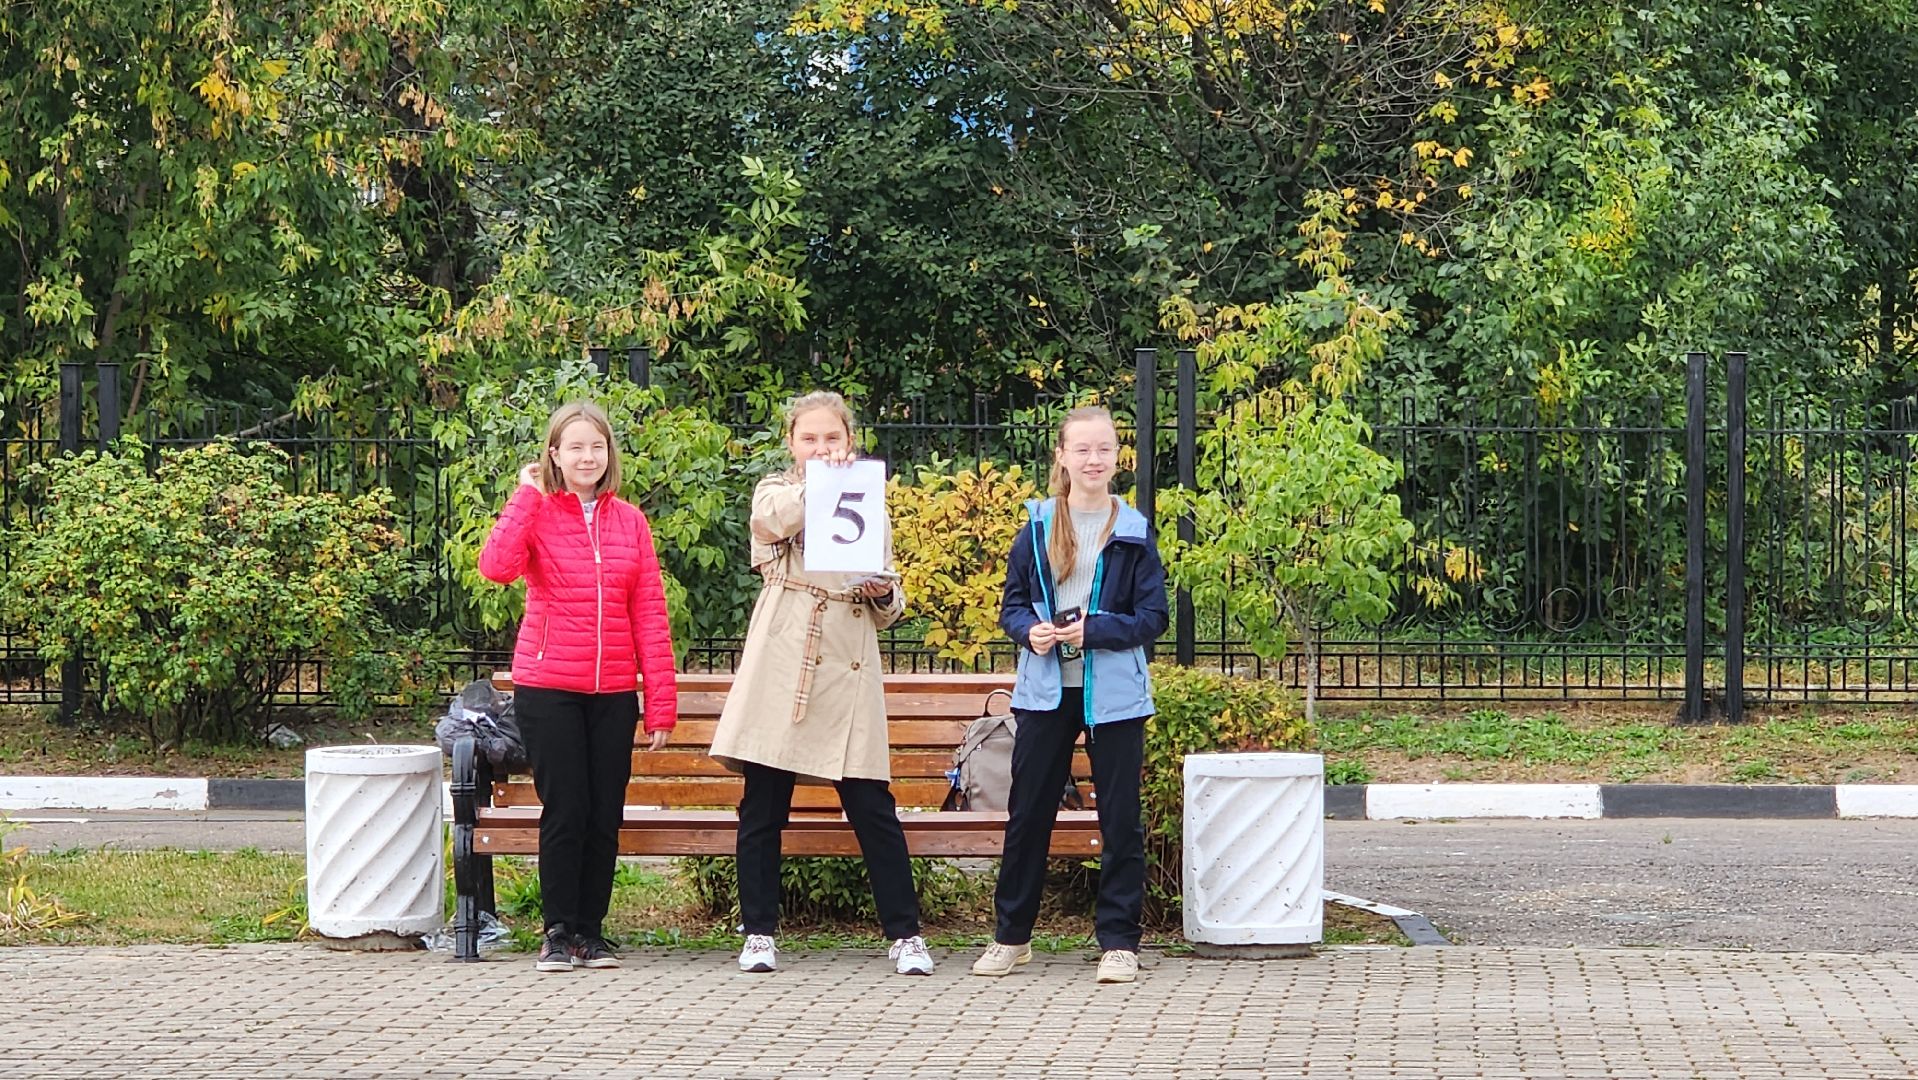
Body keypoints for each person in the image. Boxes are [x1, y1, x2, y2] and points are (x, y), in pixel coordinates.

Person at [709, 391, 933, 976]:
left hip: (848, 656)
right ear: (792, 444)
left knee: (871, 805)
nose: (822, 448)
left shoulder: (871, 501)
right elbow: (769, 523)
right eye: (809, 439)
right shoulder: (776, 491)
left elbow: (890, 596)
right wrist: (820, 485)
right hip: (785, 658)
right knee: (763, 803)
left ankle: (905, 935)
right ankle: (758, 932)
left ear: (850, 440)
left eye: (832, 438)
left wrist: (884, 593)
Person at [478, 400, 679, 973]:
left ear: (608, 453)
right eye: (575, 447)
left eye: (597, 446)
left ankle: (591, 933)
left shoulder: (630, 521)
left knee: (603, 814)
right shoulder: (537, 510)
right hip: (549, 688)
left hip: (613, 690)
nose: (587, 457)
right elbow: (495, 567)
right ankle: (558, 932)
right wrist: (525, 496)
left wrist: (659, 704)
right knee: (565, 811)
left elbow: (650, 615)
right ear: (555, 455)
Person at [971, 405, 1168, 984]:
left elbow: (1152, 617)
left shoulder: (1132, 530)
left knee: (1121, 821)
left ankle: (1119, 943)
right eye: (1081, 449)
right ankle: (1012, 937)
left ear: (1117, 457)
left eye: (1103, 449)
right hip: (1044, 692)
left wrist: (1097, 630)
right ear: (1061, 456)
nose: (1093, 459)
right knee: (1028, 815)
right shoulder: (1035, 528)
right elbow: (1010, 606)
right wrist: (1026, 632)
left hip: (1113, 695)